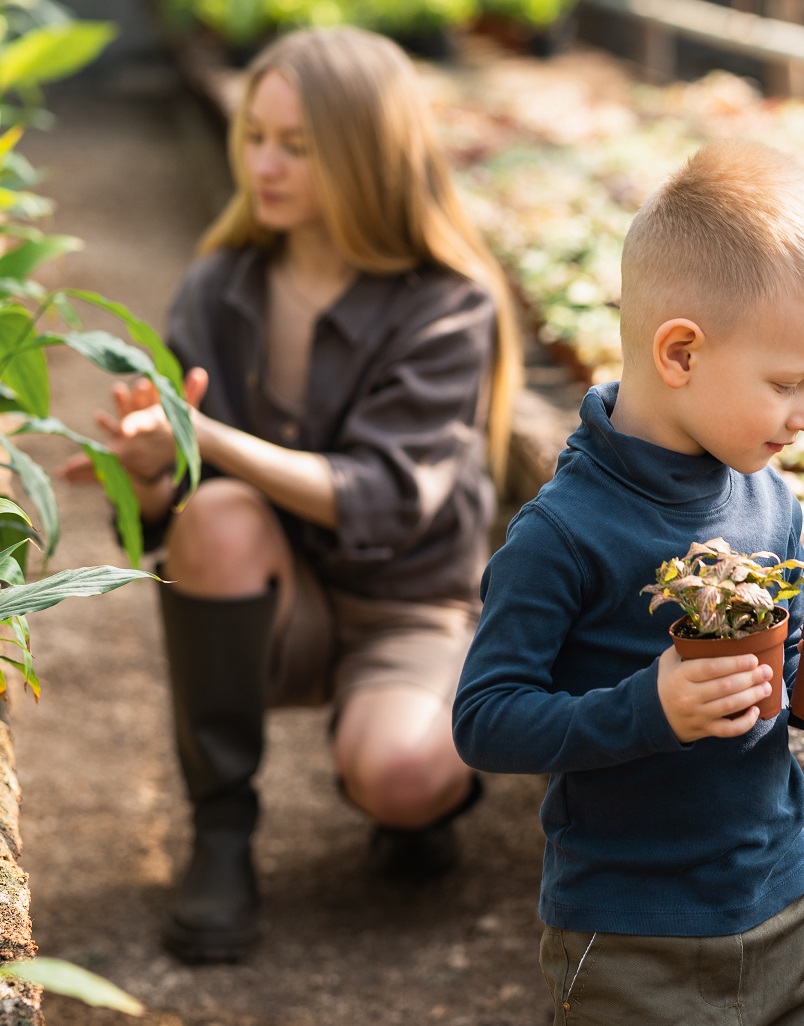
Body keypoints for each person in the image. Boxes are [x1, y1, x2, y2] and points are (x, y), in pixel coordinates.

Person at [64, 27, 522, 965]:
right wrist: (151, 467)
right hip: (275, 596)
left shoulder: (447, 303)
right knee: (218, 514)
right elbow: (164, 519)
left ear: (367, 155)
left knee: (398, 772)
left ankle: (417, 800)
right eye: (256, 138)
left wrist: (204, 437)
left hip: (409, 605)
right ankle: (221, 832)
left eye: (298, 146)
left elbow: (388, 500)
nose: (263, 164)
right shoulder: (221, 284)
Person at [453, 139, 804, 1025]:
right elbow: (485, 720)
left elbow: (771, 688)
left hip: (785, 903)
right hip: (633, 939)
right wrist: (648, 708)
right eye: (788, 382)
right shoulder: (562, 534)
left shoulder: (770, 502)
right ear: (680, 354)